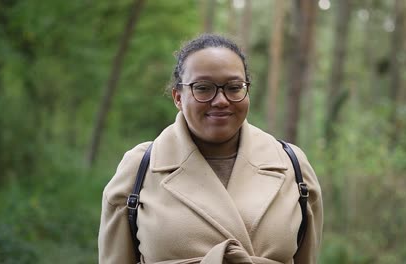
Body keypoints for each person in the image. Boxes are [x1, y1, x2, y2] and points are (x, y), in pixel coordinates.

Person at [98, 33, 323, 264]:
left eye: (234, 87)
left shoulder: (291, 165)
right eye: (203, 88)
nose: (221, 100)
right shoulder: (139, 169)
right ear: (178, 97)